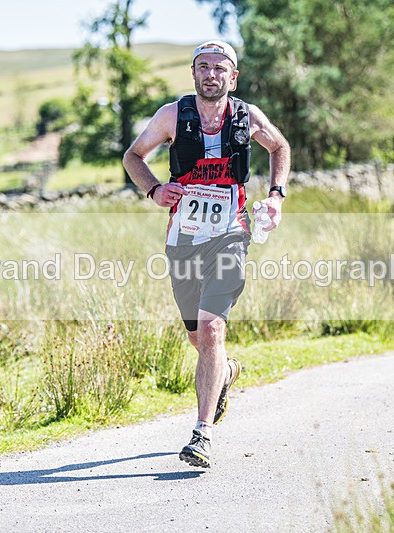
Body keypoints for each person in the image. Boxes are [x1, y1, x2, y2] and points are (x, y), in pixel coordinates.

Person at [123, 40, 291, 467]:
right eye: (203, 67)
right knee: (198, 336)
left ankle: (202, 434)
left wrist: (276, 195)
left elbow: (280, 147)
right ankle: (226, 373)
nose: (211, 74)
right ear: (193, 74)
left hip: (231, 233)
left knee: (213, 328)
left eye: (220, 68)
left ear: (233, 77)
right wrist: (155, 189)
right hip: (183, 237)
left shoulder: (247, 116)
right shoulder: (171, 115)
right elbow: (133, 156)